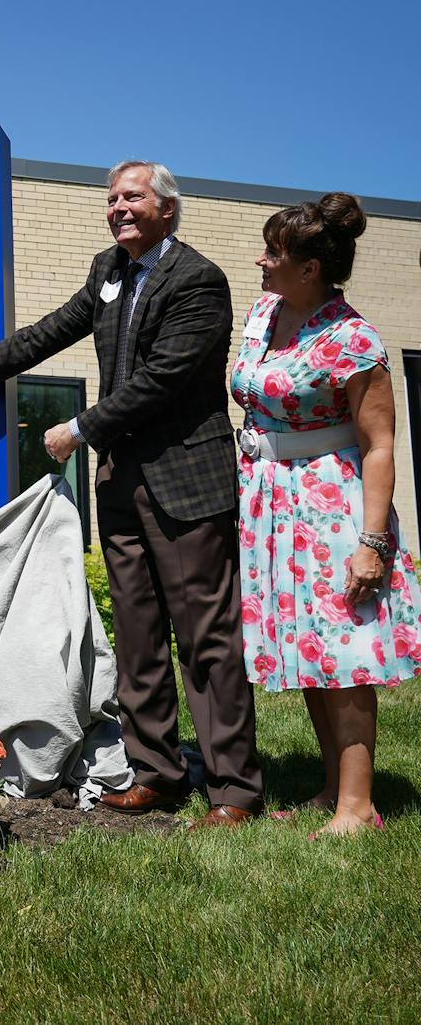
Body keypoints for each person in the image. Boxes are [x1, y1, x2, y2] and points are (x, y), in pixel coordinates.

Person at [0, 160, 264, 827]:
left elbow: (165, 377)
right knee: (137, 637)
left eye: (133, 197)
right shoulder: (108, 271)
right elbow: (44, 334)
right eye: (112, 199)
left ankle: (234, 789)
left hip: (186, 481)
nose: (118, 208)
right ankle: (156, 771)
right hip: (122, 483)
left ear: (167, 209)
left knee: (206, 639)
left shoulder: (198, 280)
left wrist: (79, 427)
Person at [231, 193, 421, 836]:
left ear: (311, 268)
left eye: (274, 254)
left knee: (343, 655)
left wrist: (372, 542)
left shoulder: (353, 339)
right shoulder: (263, 313)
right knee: (312, 652)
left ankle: (360, 806)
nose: (261, 261)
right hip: (270, 504)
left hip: (329, 509)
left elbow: (380, 445)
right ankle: (333, 788)